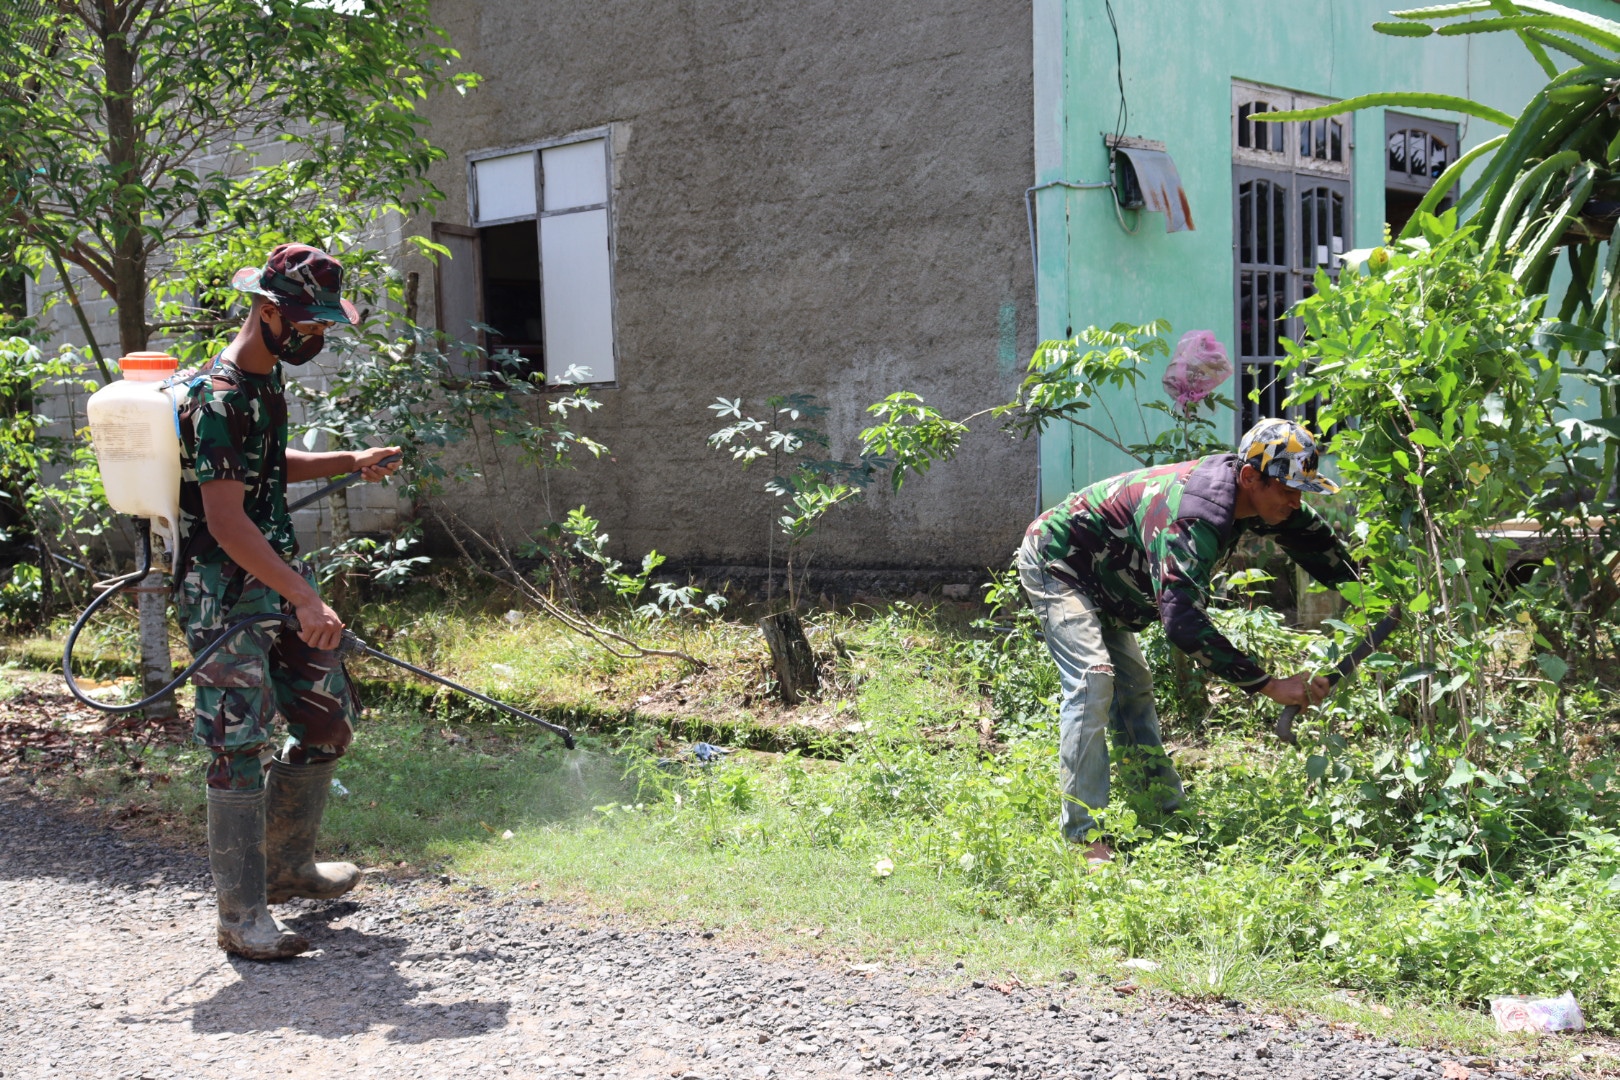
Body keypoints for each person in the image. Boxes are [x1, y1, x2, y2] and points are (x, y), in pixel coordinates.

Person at [174, 243, 401, 960]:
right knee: (236, 744)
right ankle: (241, 917)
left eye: (324, 324)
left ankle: (286, 866)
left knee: (325, 719)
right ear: (269, 312)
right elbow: (226, 519)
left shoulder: (265, 383)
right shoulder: (216, 395)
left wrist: (350, 459)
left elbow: (266, 465)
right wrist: (307, 597)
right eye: (309, 324)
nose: (319, 335)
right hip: (226, 594)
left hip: (274, 580)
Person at [1015, 418, 1356, 864]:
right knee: (1094, 679)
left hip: (1111, 581)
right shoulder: (1194, 518)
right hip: (1060, 563)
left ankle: (1162, 814)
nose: (1296, 502)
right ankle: (1083, 837)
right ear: (1250, 478)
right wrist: (1269, 684)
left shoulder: (1264, 497)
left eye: (1301, 490)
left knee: (1132, 689)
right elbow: (1184, 624)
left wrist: (1374, 589)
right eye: (1289, 490)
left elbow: (1320, 547)